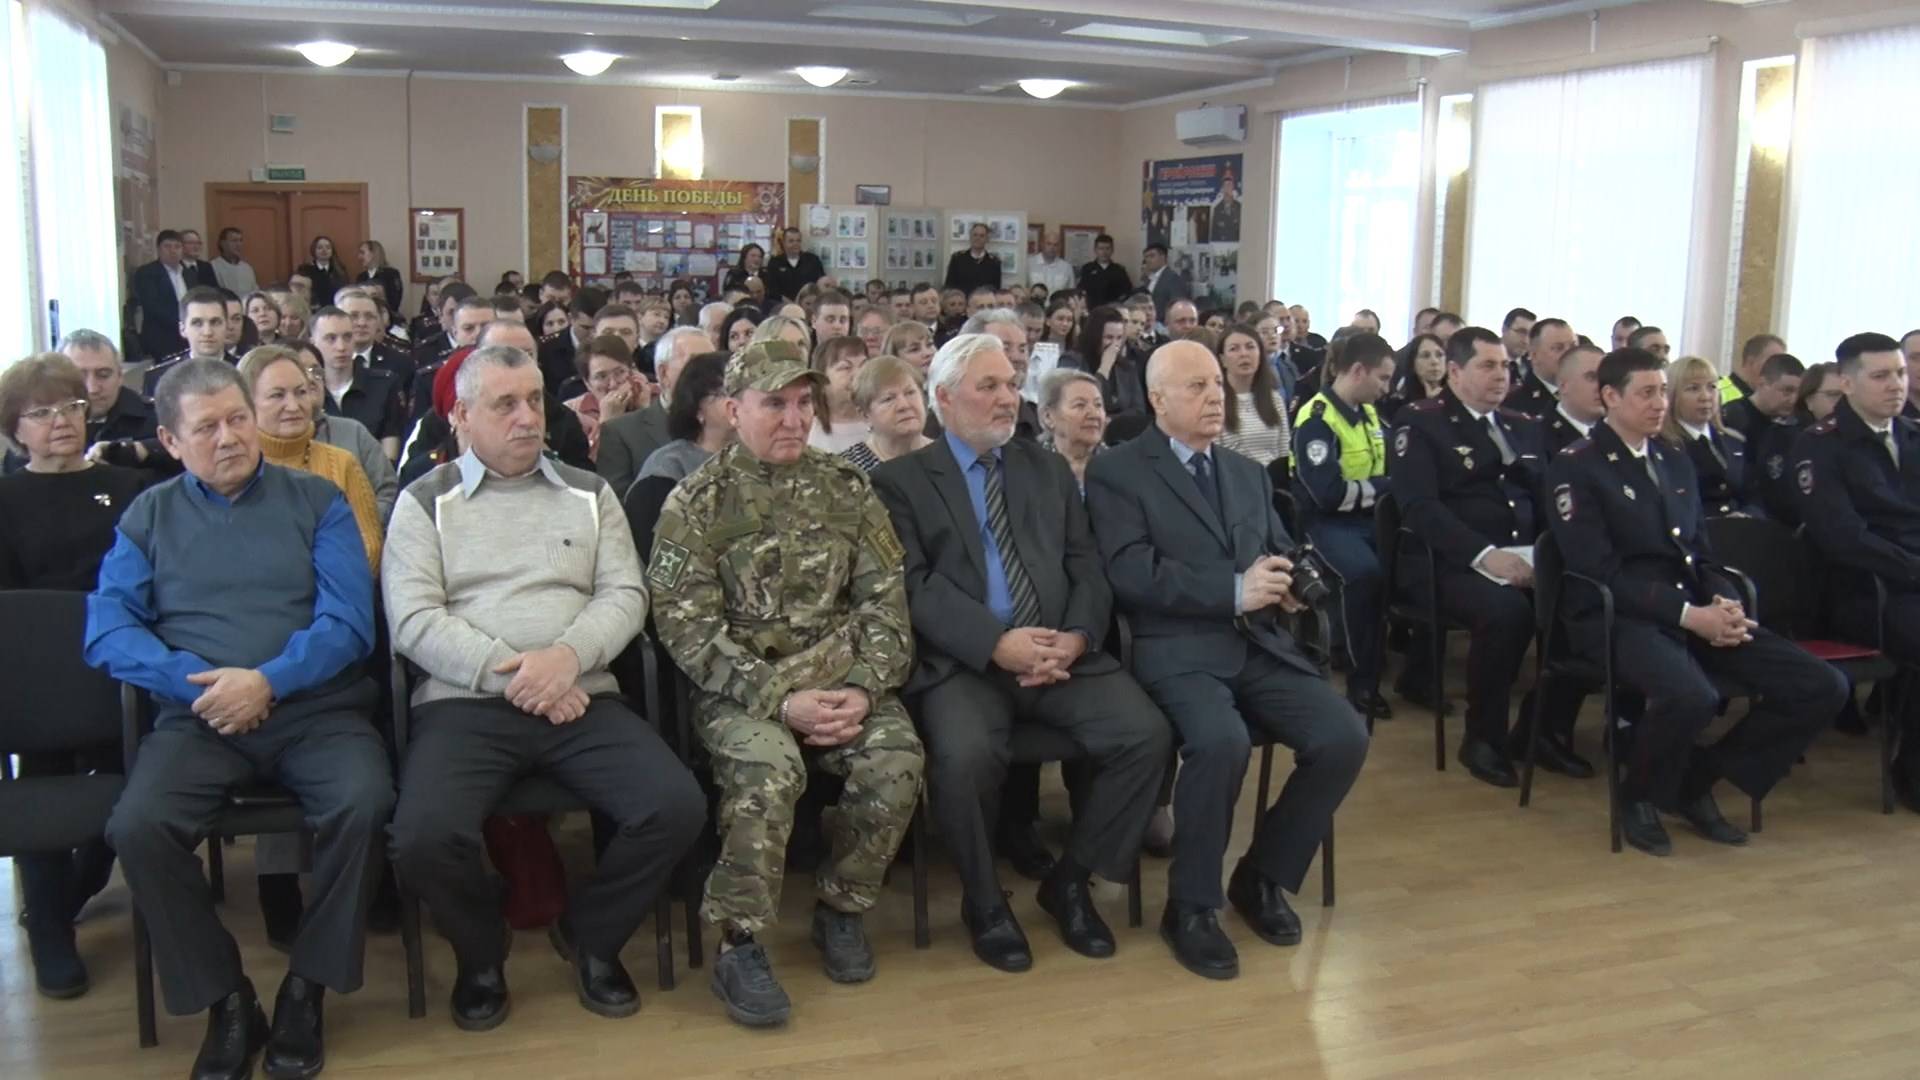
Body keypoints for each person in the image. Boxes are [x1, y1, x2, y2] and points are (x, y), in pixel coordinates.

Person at [86, 359, 394, 1080]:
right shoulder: (149, 515)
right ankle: (227, 1000)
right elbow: (107, 631)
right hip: (199, 717)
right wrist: (197, 683)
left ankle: (306, 988)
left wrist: (267, 681)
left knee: (365, 800)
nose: (229, 438)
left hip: (315, 710)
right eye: (206, 428)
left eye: (236, 419)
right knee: (139, 826)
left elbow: (349, 623)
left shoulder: (317, 499)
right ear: (170, 440)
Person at [382, 343, 702, 1031]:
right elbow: (413, 620)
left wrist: (566, 658)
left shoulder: (589, 493)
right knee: (421, 838)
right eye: (505, 405)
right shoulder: (424, 501)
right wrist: (522, 673)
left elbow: (625, 594)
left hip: (581, 695)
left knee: (674, 806)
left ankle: (592, 936)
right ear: (462, 417)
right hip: (465, 703)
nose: (527, 417)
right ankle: (480, 954)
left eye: (534, 400)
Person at [871, 334, 1170, 974]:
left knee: (1145, 735)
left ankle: (1072, 881)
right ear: (944, 398)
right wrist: (995, 643)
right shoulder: (900, 482)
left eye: (1011, 384)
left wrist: (1078, 637)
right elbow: (912, 584)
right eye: (989, 386)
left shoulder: (1046, 469)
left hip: (1059, 653)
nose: (1008, 398)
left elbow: (1086, 565)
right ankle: (984, 903)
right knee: (963, 756)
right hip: (965, 664)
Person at [650, 340, 922, 1026]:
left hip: (842, 680)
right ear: (732, 409)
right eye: (775, 403)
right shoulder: (696, 502)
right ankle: (738, 942)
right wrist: (780, 700)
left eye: (805, 403)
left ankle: (842, 907)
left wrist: (864, 688)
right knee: (768, 771)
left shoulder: (847, 489)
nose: (795, 419)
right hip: (743, 691)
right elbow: (686, 630)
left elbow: (886, 604)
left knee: (895, 759)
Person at [1084, 340, 1368, 980]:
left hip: (1256, 643)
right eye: (1196, 387)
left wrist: (1287, 581)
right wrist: (1233, 590)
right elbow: (1129, 572)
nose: (1214, 396)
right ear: (1157, 399)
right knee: (1221, 742)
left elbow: (1276, 545)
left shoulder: (1244, 472)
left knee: (1343, 735)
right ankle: (1191, 906)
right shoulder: (1118, 472)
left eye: (1216, 384)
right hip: (1173, 648)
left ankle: (1261, 875)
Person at [1549, 347, 1843, 854]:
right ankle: (1639, 796)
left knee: (1820, 685)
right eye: (1646, 393)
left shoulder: (1672, 457)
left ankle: (1697, 780)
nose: (1659, 403)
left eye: (1663, 391)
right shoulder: (1578, 465)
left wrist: (1724, 602)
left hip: (1693, 608)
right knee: (1691, 696)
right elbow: (1599, 571)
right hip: (1617, 615)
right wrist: (1690, 616)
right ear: (1611, 397)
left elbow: (1700, 551)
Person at [0, 354, 147, 998]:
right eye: (41, 412)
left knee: (134, 781)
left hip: (122, 666)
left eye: (71, 406)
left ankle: (76, 887)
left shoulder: (128, 487)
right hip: (40, 678)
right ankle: (49, 927)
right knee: (41, 784)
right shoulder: (5, 498)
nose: (61, 421)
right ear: (15, 429)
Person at [1391, 326, 1587, 787]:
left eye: (1504, 366)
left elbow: (1546, 498)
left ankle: (1541, 728)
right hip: (1446, 561)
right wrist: (1484, 556)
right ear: (1455, 372)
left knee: (1584, 601)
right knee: (1507, 613)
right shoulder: (1421, 422)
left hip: (1524, 555)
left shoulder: (1523, 425)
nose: (1501, 375)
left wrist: (1557, 556)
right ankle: (1484, 737)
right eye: (1487, 366)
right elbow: (1420, 509)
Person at [1793, 333, 1920, 807]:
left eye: (1900, 373)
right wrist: (1913, 569)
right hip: (1861, 592)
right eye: (1881, 376)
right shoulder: (1820, 445)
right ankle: (1912, 775)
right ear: (1846, 383)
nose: (1896, 385)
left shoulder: (1912, 435)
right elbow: (1843, 538)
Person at [1291, 333, 1394, 719]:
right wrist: (1385, 488)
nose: (1386, 388)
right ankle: (1360, 679)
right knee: (1363, 575)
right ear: (1358, 371)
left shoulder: (1368, 413)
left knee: (1407, 564)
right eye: (1383, 378)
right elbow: (1328, 495)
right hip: (1324, 523)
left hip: (1368, 519)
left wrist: (1384, 487)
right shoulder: (1317, 419)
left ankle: (1405, 670)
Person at [239, 346, 384, 569]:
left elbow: (369, 550)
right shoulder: (235, 471)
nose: (293, 406)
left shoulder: (342, 464)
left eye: (301, 392)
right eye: (277, 395)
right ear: (247, 404)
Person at [598, 326, 711, 497]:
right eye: (696, 363)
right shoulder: (620, 432)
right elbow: (617, 506)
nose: (709, 374)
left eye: (712, 363)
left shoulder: (732, 424)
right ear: (663, 373)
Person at [1663, 354, 1754, 517]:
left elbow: (1753, 494)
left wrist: (1747, 515)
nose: (1705, 397)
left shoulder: (1733, 441)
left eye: (1712, 387)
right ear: (1672, 395)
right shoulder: (1664, 446)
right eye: (1693, 388)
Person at [313, 305, 406, 462]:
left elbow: (390, 452)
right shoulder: (307, 391)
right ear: (313, 342)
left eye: (348, 337)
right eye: (331, 338)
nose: (341, 347)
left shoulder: (384, 385)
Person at [637, 352, 730, 483]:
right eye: (726, 393)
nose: (737, 402)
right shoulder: (668, 465)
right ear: (698, 408)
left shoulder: (757, 452)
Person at [565, 334, 652, 462]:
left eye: (620, 372)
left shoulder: (655, 396)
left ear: (632, 372)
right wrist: (607, 422)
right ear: (587, 383)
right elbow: (589, 466)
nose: (613, 384)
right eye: (601, 376)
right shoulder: (572, 413)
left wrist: (645, 411)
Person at [1216, 323, 1290, 470]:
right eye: (1234, 349)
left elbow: (1284, 451)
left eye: (1250, 347)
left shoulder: (1274, 399)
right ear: (1222, 359)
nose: (1244, 354)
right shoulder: (1215, 402)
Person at [840, 355, 931, 473]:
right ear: (865, 414)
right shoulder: (848, 470)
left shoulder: (946, 455)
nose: (904, 405)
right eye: (888, 399)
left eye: (910, 392)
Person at [1067, 305, 1150, 432]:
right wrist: (1104, 368)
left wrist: (1110, 420)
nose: (1115, 344)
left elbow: (1138, 411)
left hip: (1121, 434)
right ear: (1095, 337)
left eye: (1119, 338)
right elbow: (1083, 401)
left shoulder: (1127, 367)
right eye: (1109, 337)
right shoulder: (1072, 360)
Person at [146, 286, 241, 387]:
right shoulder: (159, 377)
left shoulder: (245, 371)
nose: (207, 332)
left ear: (226, 326)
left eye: (215, 322)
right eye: (197, 323)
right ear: (182, 329)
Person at [1038, 368, 1107, 493]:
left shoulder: (1119, 466)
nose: (1094, 414)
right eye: (1080, 405)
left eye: (1098, 405)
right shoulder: (1031, 467)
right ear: (1048, 417)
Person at [1722, 349, 1804, 447]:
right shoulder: (1732, 418)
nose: (1793, 399)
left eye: (1798, 392)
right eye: (1787, 390)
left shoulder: (1794, 425)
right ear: (1762, 383)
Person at [807, 335, 872, 454]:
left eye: (864, 366)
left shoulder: (882, 424)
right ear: (820, 380)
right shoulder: (807, 431)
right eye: (846, 367)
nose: (859, 374)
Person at [1503, 317, 1575, 419]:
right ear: (1534, 355)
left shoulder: (1587, 394)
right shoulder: (1513, 402)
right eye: (1558, 348)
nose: (1569, 354)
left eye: (1573, 347)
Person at [1544, 343, 1605, 453]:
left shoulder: (1618, 433)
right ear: (1563, 386)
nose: (1601, 387)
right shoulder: (1536, 436)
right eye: (1591, 378)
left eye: (1605, 378)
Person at [1382, 332, 1445, 422]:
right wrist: (1428, 404)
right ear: (1413, 363)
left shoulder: (1457, 397)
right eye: (1426, 356)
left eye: (1439, 355)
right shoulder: (1397, 403)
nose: (1435, 361)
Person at [1719, 332, 1787, 405]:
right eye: (1772, 363)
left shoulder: (1766, 402)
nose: (1778, 370)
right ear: (1751, 362)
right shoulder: (1717, 391)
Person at [765, 227, 826, 300]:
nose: (795, 244)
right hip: (783, 304)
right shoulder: (775, 262)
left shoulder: (813, 260)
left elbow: (820, 284)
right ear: (783, 243)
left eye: (798, 240)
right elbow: (772, 290)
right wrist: (790, 304)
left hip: (810, 303)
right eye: (791, 241)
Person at [945, 223, 1003, 295]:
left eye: (982, 236)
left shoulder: (994, 262)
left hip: (984, 301)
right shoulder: (957, 259)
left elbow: (996, 290)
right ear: (970, 237)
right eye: (975, 235)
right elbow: (949, 286)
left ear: (987, 239)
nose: (977, 238)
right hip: (961, 300)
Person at [1077, 234, 1132, 309]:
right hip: (1092, 309)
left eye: (1107, 248)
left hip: (1113, 310)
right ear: (1095, 250)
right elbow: (1081, 291)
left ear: (1112, 250)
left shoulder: (1119, 270)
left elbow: (1127, 292)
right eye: (1101, 248)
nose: (1104, 252)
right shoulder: (1087, 269)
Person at [1141, 245, 1189, 324]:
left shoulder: (1173, 278)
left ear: (1163, 257)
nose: (1148, 260)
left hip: (1163, 324)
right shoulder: (1148, 279)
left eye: (1152, 256)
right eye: (1146, 257)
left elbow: (1177, 304)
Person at [355, 241, 404, 314]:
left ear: (373, 253)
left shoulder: (391, 274)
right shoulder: (361, 277)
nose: (359, 257)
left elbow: (395, 302)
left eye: (362, 253)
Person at [297, 235, 347, 305]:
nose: (324, 250)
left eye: (328, 247)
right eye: (320, 247)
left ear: (332, 251)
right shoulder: (305, 270)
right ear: (314, 250)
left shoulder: (340, 270)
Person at [211, 227, 259, 296]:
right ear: (222, 243)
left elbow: (255, 292)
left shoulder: (247, 268)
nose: (238, 244)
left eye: (240, 240)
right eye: (234, 241)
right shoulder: (213, 266)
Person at [1500, 307, 1537, 376]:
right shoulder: (1484, 356)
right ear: (1504, 329)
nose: (1526, 341)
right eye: (1521, 332)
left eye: (1531, 335)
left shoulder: (1534, 366)